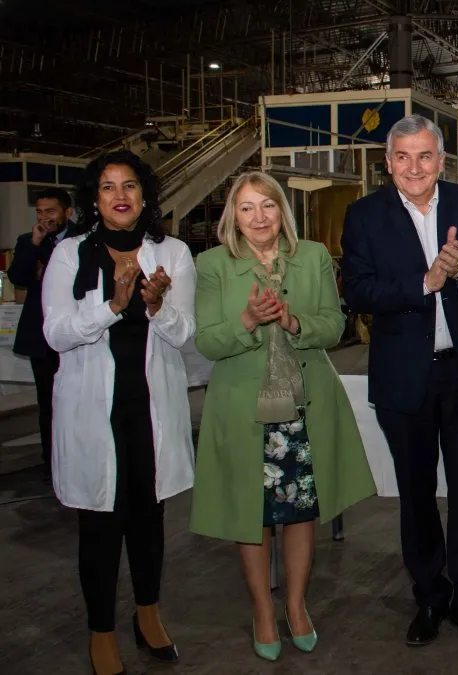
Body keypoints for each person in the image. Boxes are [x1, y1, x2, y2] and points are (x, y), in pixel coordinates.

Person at [340, 114, 458, 647]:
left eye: (424, 156)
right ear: (388, 162)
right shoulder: (364, 215)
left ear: (441, 160)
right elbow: (358, 290)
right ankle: (430, 597)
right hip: (403, 378)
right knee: (415, 494)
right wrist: (426, 281)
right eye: (402, 157)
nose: (413, 167)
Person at [190, 171, 377, 662]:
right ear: (233, 217)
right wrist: (248, 321)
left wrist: (294, 321)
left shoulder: (312, 257)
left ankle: (295, 606)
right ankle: (262, 611)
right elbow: (207, 340)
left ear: (282, 212)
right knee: (250, 514)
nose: (259, 217)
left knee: (299, 509)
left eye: (268, 205)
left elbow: (334, 325)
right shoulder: (212, 265)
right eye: (247, 208)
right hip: (243, 409)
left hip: (302, 406)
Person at [40, 150, 196, 675]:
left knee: (149, 519)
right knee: (100, 525)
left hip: (150, 409)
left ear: (144, 195)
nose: (120, 195)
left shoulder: (172, 252)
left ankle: (148, 615)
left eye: (129, 185)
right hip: (92, 412)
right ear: (94, 199)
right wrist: (111, 305)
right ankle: (101, 632)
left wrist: (155, 306)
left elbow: (185, 334)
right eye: (107, 187)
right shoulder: (69, 254)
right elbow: (55, 333)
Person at [7, 187, 76, 479]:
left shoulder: (83, 239)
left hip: (75, 333)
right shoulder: (29, 241)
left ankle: (78, 458)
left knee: (77, 400)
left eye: (51, 211)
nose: (44, 217)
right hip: (42, 336)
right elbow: (18, 278)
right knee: (48, 402)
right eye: (39, 211)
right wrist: (34, 245)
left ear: (67, 212)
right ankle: (52, 463)